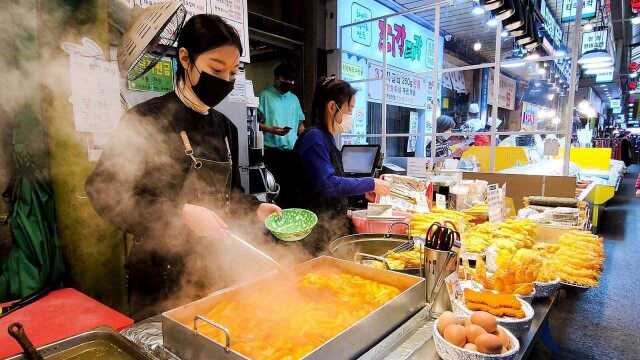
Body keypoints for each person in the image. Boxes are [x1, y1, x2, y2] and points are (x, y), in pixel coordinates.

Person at [85, 15, 280, 319]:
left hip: (213, 268)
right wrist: (179, 214)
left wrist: (255, 209)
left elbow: (232, 195)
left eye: (232, 72)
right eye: (216, 69)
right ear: (185, 58)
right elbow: (103, 192)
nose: (225, 81)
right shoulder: (146, 120)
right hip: (159, 278)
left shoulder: (226, 128)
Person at [293, 76, 390, 253]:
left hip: (329, 228)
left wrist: (362, 192)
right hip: (314, 235)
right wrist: (371, 183)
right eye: (350, 108)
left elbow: (334, 186)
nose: (351, 115)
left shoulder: (326, 139)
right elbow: (327, 185)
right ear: (332, 107)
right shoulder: (314, 138)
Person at [258, 64, 305, 208]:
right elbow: (255, 124)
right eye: (285, 80)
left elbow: (300, 125)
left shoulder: (294, 99)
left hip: (292, 154)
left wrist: (305, 135)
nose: (288, 83)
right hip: (271, 154)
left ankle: (291, 227)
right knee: (274, 193)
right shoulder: (264, 95)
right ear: (276, 78)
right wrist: (271, 129)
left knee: (292, 194)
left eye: (291, 81)